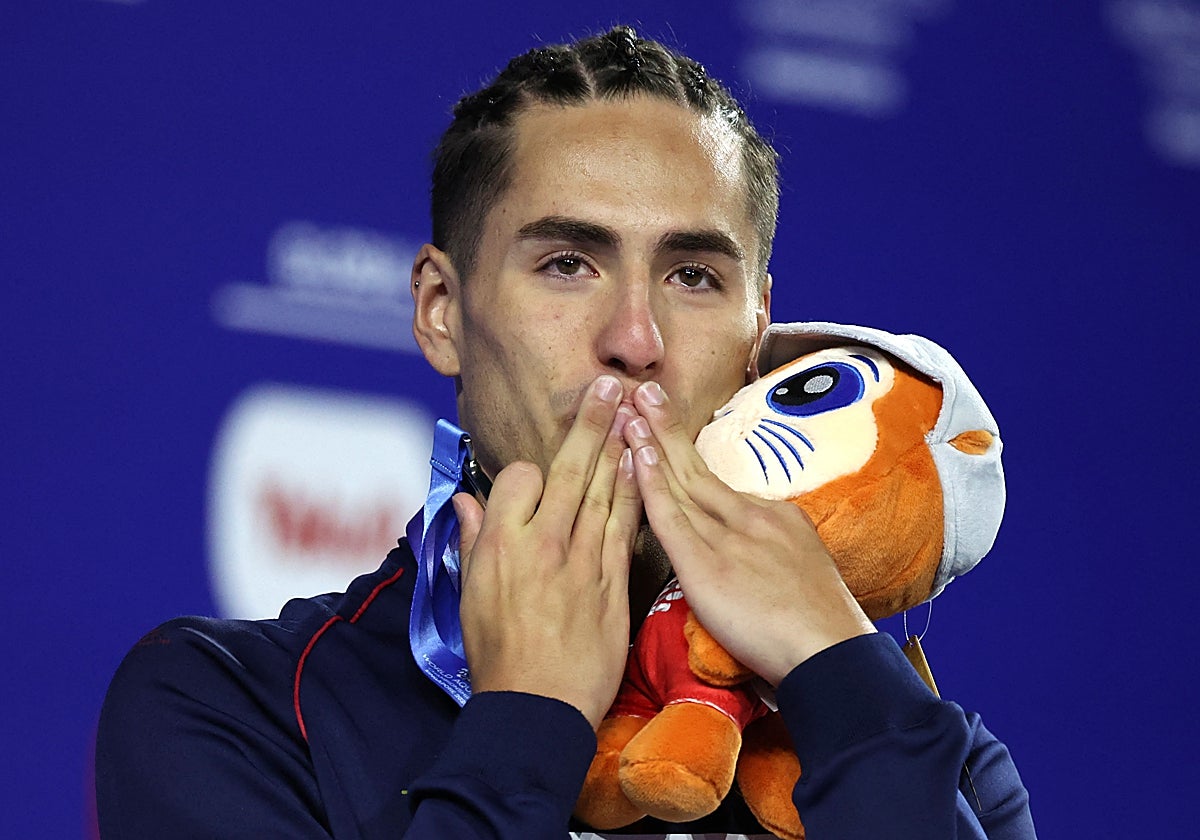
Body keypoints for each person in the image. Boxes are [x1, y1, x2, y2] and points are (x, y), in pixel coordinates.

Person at [95, 26, 1035, 839]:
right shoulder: (230, 710)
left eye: (694, 277)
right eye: (566, 263)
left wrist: (840, 677)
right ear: (439, 311)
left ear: (761, 337)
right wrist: (527, 722)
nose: (635, 340)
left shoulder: (933, 759)